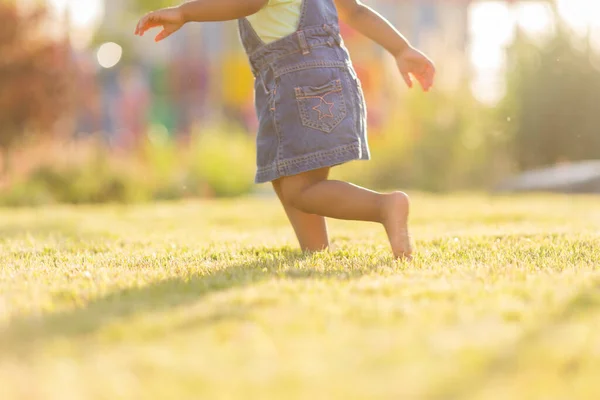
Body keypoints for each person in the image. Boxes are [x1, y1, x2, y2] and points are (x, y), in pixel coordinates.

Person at [135, 0, 435, 259]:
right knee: (286, 172)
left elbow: (249, 3)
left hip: (302, 82)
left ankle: (384, 207)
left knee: (301, 188)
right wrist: (401, 49)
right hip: (307, 79)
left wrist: (186, 12)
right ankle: (315, 250)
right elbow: (354, 12)